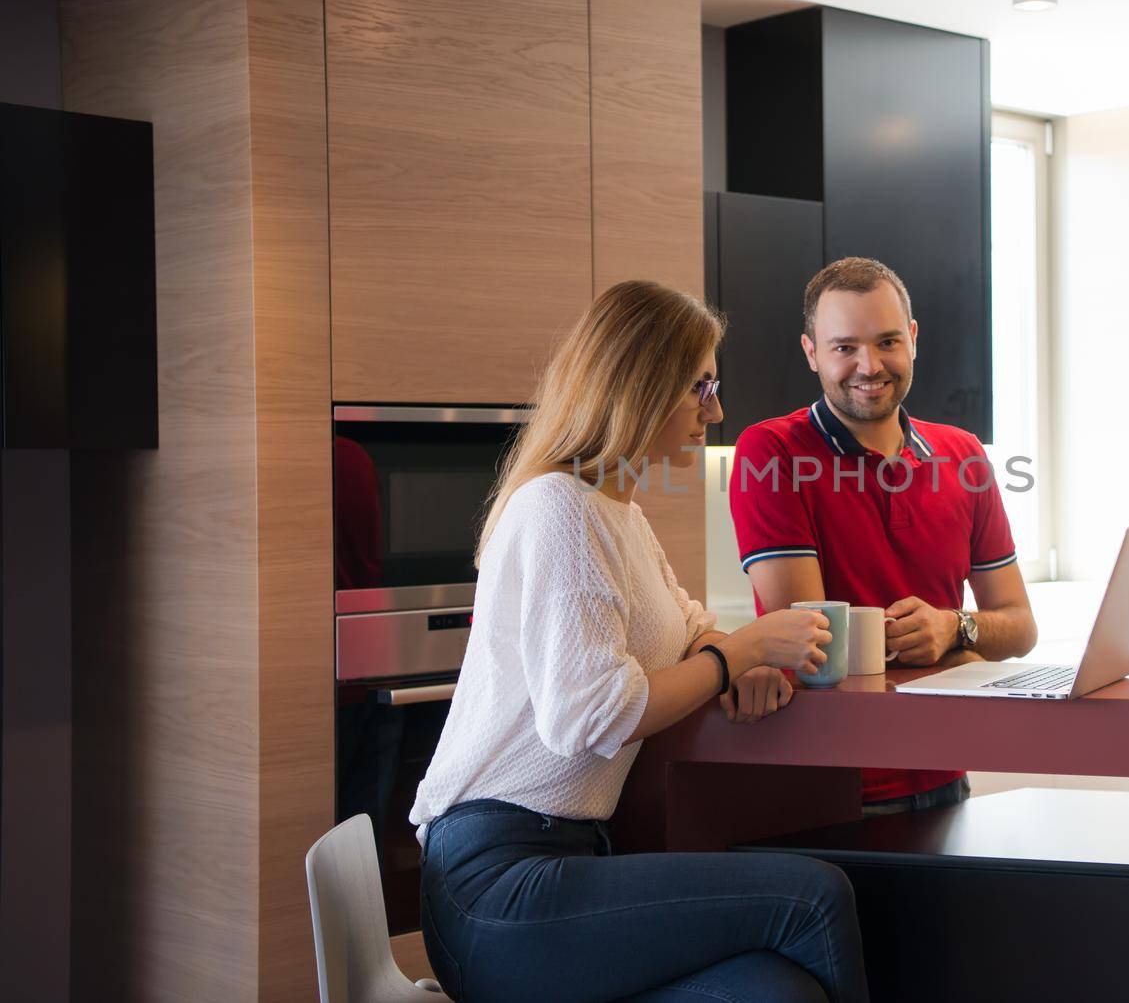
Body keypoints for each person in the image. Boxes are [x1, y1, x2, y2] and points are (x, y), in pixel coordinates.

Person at [411, 280, 869, 1003]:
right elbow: (592, 714)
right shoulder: (560, 511)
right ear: (641, 384)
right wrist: (738, 656)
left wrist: (722, 648)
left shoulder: (615, 512)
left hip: (563, 863)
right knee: (813, 895)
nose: (713, 411)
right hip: (500, 885)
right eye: (700, 386)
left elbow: (687, 625)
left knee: (776, 990)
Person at [729, 257, 1039, 815]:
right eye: (844, 347)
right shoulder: (770, 452)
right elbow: (812, 643)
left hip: (945, 770)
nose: (868, 365)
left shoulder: (964, 454)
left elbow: (1019, 626)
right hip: (828, 784)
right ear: (811, 352)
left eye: (887, 341)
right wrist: (953, 648)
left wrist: (955, 626)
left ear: (913, 339)